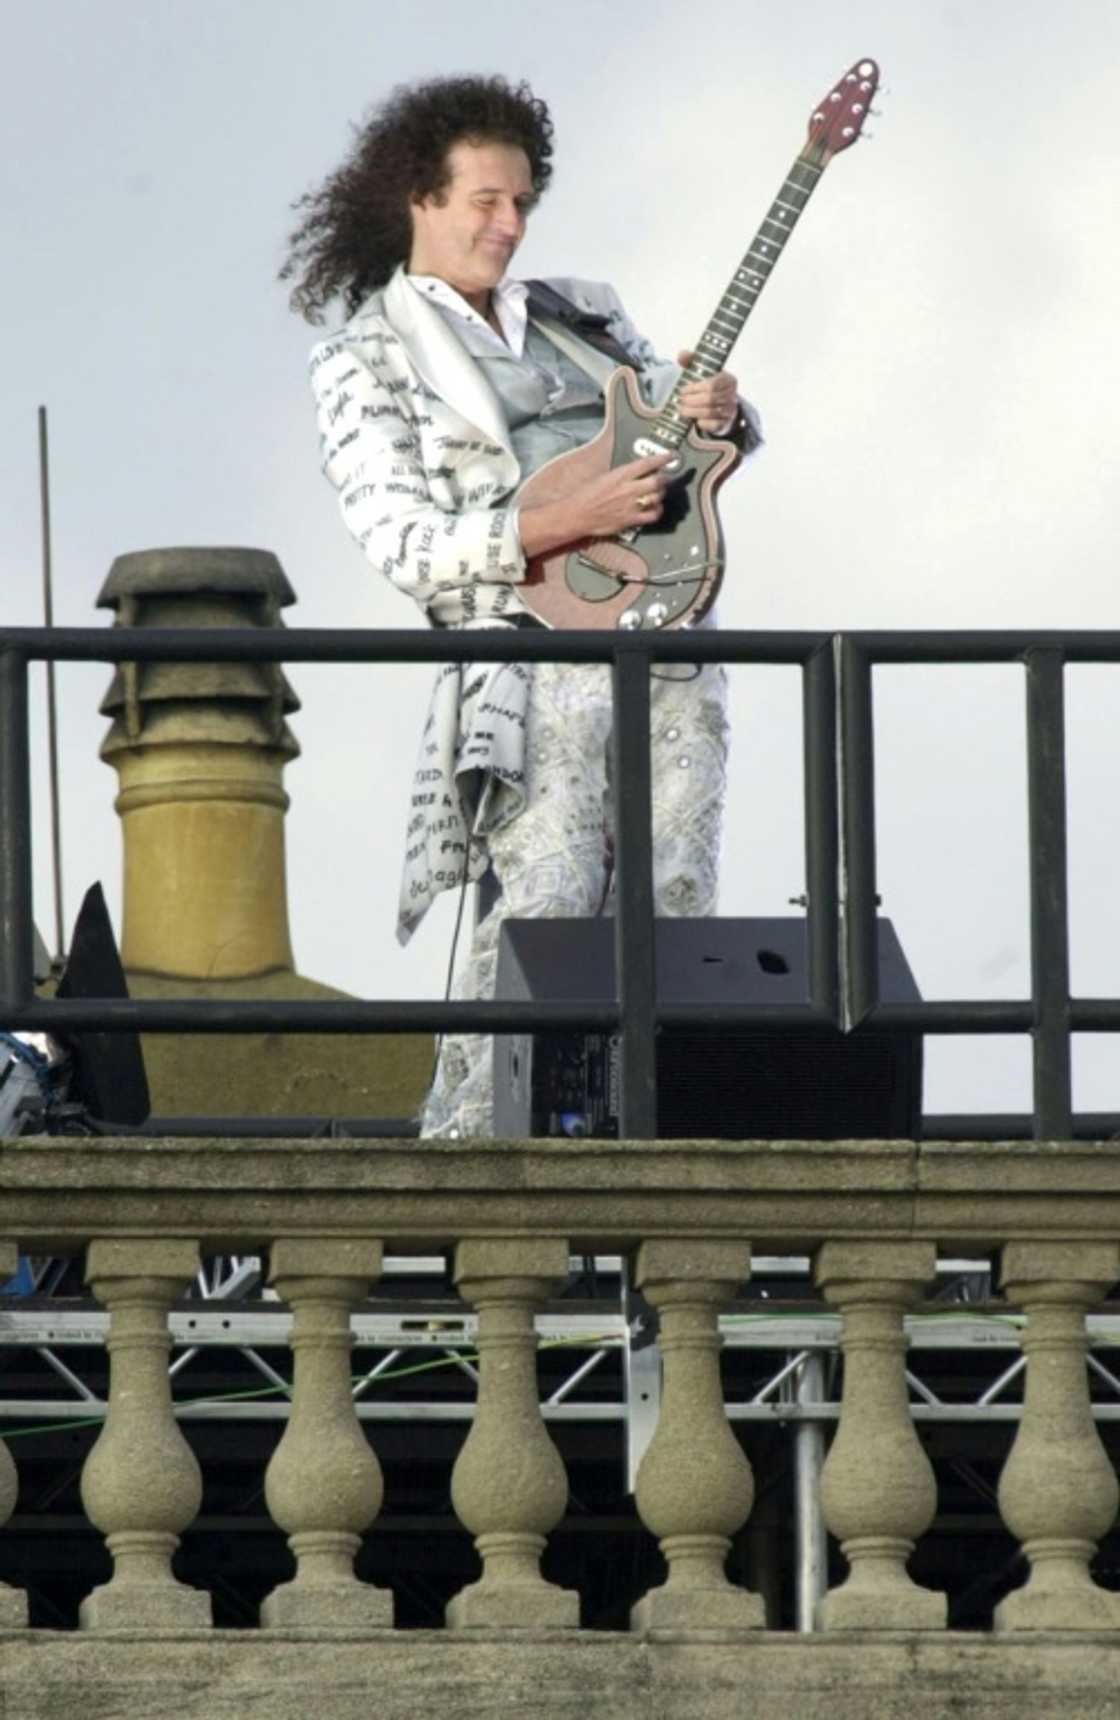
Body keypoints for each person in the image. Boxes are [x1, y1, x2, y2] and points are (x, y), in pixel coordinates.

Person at [282, 75, 760, 1137]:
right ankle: (476, 1141)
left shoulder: (582, 313)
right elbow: (404, 546)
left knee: (677, 897)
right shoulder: (365, 358)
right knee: (541, 903)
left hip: (668, 642)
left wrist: (719, 409)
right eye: (486, 202)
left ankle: (660, 1132)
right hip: (527, 659)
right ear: (420, 197)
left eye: (523, 204)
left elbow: (681, 439)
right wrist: (558, 519)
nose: (510, 225)